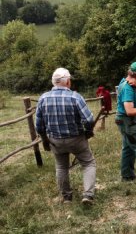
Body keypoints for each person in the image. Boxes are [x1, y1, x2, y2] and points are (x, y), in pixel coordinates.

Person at [35, 67, 96, 205]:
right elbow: (89, 120)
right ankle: (88, 195)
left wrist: (45, 140)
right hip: (76, 138)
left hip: (55, 140)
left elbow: (39, 126)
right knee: (88, 163)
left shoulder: (43, 98)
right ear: (67, 81)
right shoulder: (75, 97)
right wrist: (88, 131)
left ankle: (67, 197)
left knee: (61, 167)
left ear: (53, 82)